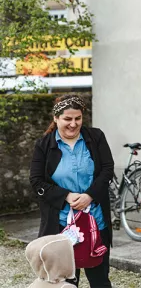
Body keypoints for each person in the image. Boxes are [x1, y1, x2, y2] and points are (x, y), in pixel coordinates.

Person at [29, 94, 114, 287]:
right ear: (56, 118)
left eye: (78, 118)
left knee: (100, 280)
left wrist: (89, 195)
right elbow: (36, 181)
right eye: (67, 119)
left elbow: (107, 169)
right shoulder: (44, 145)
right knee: (65, 282)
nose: (73, 124)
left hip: (95, 223)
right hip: (60, 229)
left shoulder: (96, 137)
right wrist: (66, 195)